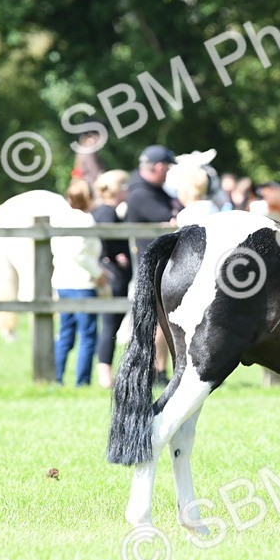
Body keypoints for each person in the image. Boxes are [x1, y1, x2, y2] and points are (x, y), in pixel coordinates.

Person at [123, 144, 178, 383]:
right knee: (157, 321)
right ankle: (155, 370)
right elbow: (170, 217)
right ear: (157, 167)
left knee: (162, 320)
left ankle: (160, 370)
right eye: (166, 167)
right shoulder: (141, 194)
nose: (167, 172)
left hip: (157, 264)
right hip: (152, 266)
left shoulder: (153, 190)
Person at [52, 178, 106, 387]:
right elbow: (80, 254)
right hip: (82, 283)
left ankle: (57, 378)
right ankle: (82, 381)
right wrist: (97, 272)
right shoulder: (86, 221)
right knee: (87, 335)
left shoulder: (60, 219)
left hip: (62, 283)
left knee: (65, 333)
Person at [92, 170, 131, 389]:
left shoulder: (103, 211)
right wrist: (114, 256)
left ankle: (105, 373)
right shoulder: (107, 213)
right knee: (109, 325)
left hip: (114, 273)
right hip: (114, 275)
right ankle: (105, 375)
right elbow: (104, 236)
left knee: (111, 326)